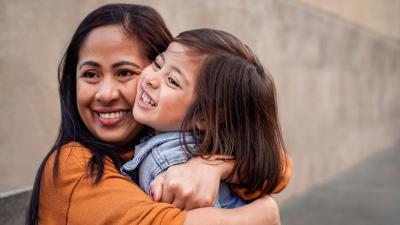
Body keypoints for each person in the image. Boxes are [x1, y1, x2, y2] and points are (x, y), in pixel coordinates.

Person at [26, 4, 291, 225]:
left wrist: (211, 166)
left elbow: (277, 163)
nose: (105, 94)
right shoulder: (74, 165)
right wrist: (263, 213)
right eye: (90, 74)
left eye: (125, 72)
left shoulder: (162, 135)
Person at [121, 28, 289, 209]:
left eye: (172, 81)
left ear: (205, 118)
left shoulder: (171, 170)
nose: (151, 80)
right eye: (157, 64)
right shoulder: (215, 144)